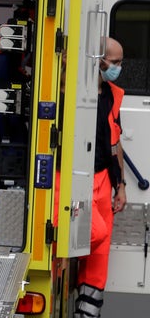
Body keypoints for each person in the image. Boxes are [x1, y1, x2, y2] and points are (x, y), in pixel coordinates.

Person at [74, 37, 127, 318]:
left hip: (104, 179)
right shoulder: (73, 91)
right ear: (99, 60)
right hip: (76, 179)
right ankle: (71, 276)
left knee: (100, 255)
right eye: (115, 62)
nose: (118, 68)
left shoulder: (114, 94)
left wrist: (121, 186)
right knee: (95, 234)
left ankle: (87, 312)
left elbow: (117, 143)